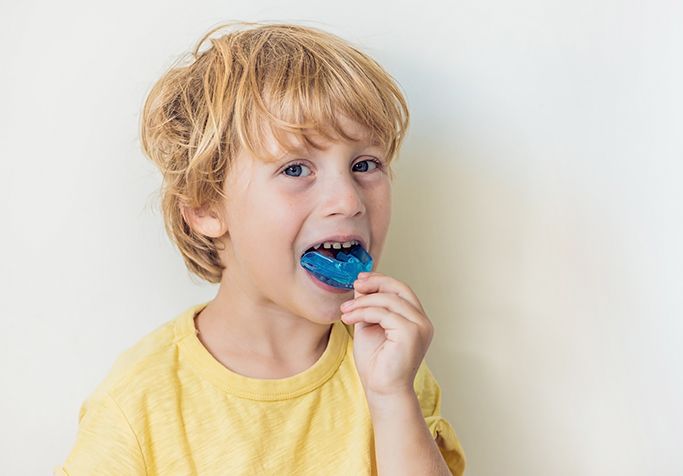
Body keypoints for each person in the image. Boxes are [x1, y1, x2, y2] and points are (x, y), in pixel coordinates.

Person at [55, 21, 466, 475]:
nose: (348, 201)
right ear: (207, 207)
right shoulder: (138, 403)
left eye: (364, 164)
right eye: (295, 170)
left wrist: (392, 396)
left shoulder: (389, 363)